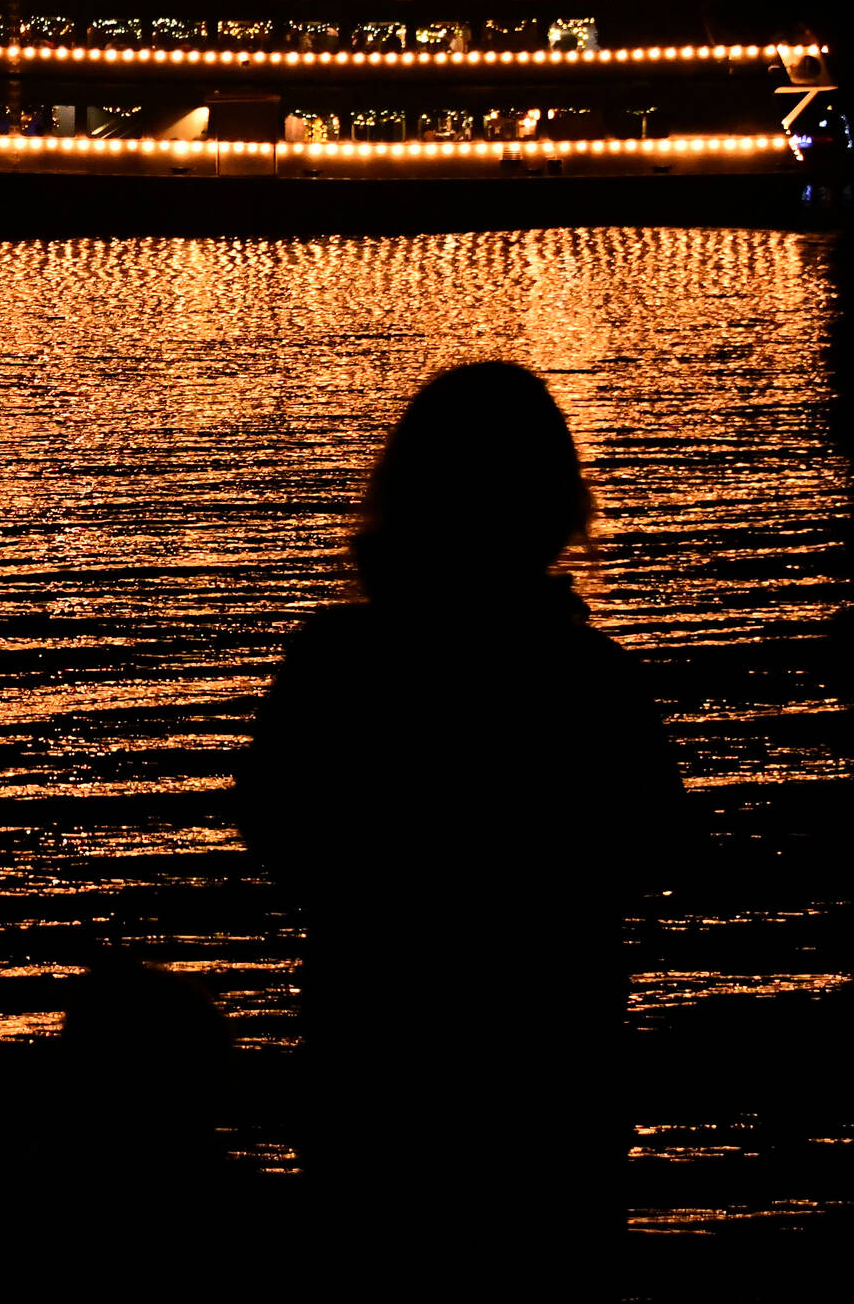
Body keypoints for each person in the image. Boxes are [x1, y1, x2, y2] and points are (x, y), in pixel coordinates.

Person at [237, 361, 689, 1284]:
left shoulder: (332, 666)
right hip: (554, 1078)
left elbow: (276, 833)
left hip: (374, 1071)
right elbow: (654, 849)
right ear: (555, 504)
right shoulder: (596, 683)